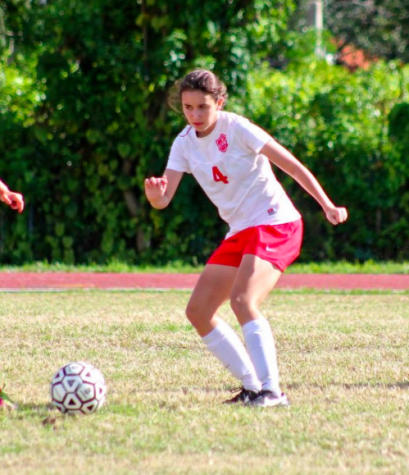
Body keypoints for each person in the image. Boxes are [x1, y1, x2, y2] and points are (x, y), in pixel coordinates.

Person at [144, 69, 348, 407]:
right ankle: (253, 387)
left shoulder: (237, 128)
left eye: (202, 107)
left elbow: (293, 167)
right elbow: (163, 200)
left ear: (219, 103)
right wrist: (154, 194)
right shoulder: (182, 143)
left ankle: (272, 391)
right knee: (198, 310)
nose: (194, 115)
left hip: (275, 223)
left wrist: (326, 204)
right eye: (188, 107)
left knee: (242, 300)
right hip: (241, 231)